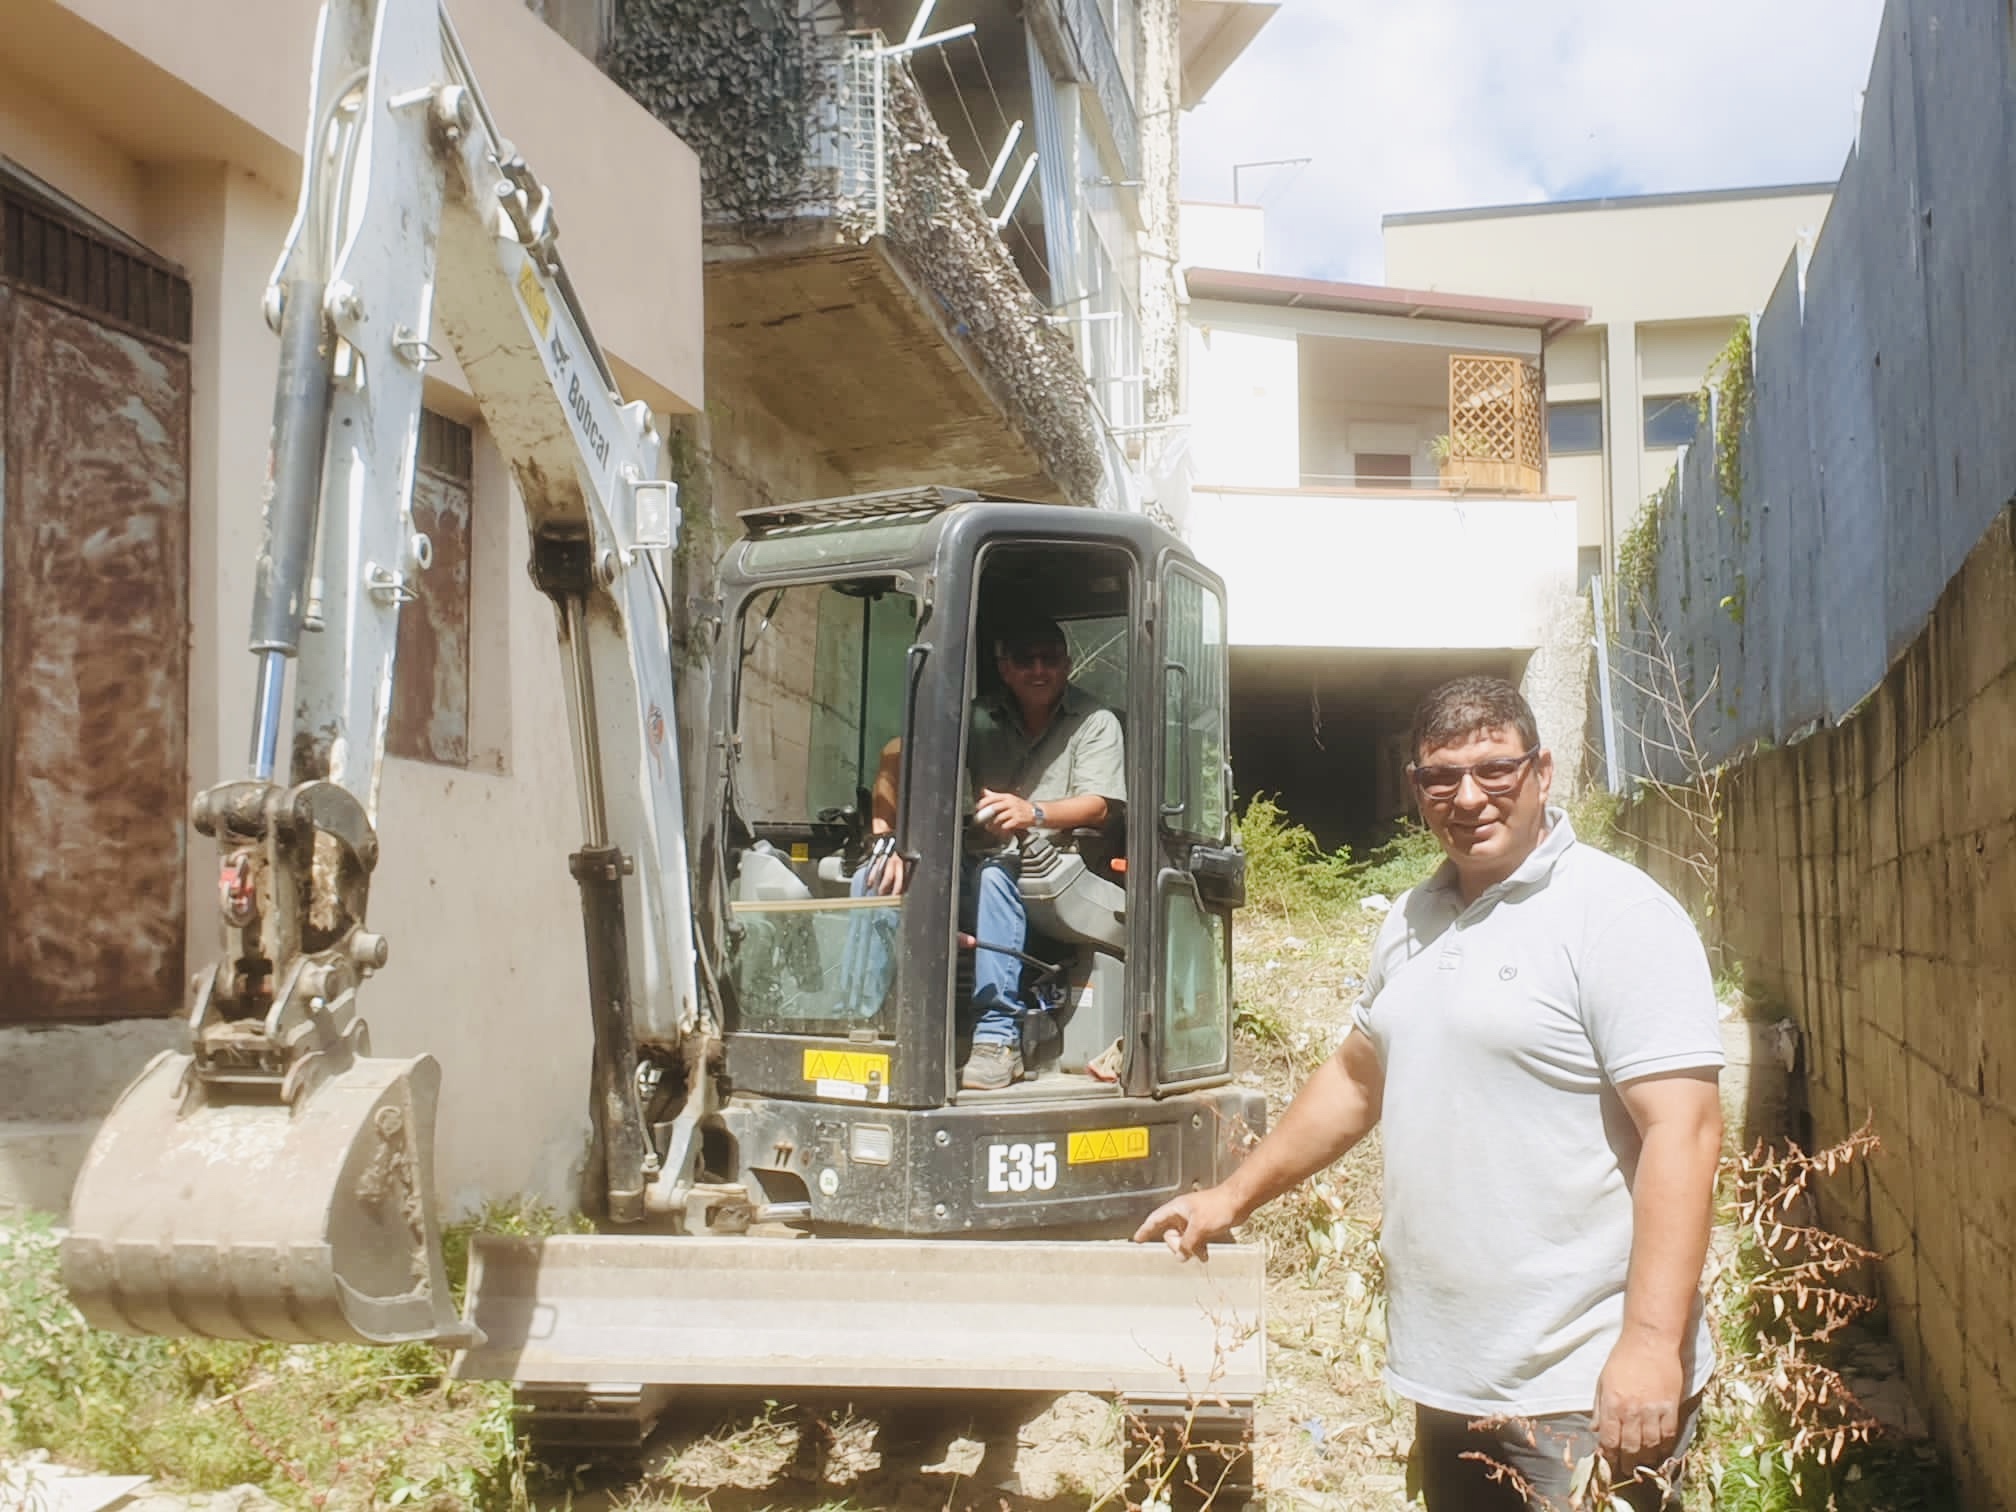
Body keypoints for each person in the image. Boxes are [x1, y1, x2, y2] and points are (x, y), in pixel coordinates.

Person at [1133, 675, 1724, 1511]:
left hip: (1582, 1385)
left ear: (1542, 771)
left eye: (1496, 769)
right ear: (1416, 788)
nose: (1469, 797)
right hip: (1453, 1374)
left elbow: (1686, 1133)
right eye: (1441, 777)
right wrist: (1230, 1198)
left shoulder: (1616, 914)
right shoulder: (1413, 918)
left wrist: (1652, 1345)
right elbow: (1356, 1077)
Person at [850, 614, 1125, 1090]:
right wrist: (885, 841)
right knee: (876, 876)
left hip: (1062, 871)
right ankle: (861, 1024)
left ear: (1067, 664)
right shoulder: (978, 717)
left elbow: (1100, 806)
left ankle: (997, 1040)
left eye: (1051, 660)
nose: (1039, 671)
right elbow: (896, 754)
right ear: (1004, 668)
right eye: (1025, 661)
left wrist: (1032, 812)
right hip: (983, 860)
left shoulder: (1095, 722)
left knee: (998, 875)